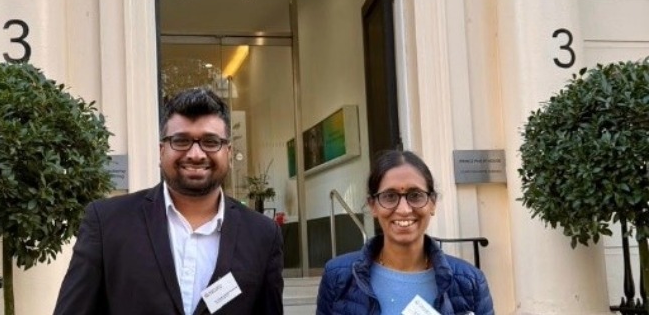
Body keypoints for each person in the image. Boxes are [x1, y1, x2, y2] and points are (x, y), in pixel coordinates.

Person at [53, 88, 284, 315]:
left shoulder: (263, 235)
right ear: (161, 151)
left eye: (211, 142)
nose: (196, 154)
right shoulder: (107, 222)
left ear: (229, 153)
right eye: (181, 141)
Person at [316, 150, 494, 315]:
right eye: (389, 196)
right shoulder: (338, 277)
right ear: (373, 206)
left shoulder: (469, 281)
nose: (404, 209)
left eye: (415, 195)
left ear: (432, 203)